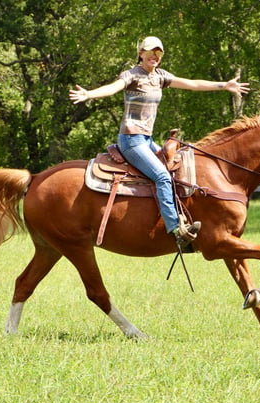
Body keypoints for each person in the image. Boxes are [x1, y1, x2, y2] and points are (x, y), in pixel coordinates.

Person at [69, 36, 250, 250]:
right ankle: (176, 229)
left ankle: (179, 216)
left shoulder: (160, 77)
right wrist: (89, 94)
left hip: (146, 140)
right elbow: (112, 88)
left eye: (158, 53)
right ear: (141, 53)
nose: (154, 56)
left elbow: (191, 84)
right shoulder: (132, 76)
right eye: (150, 52)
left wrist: (223, 85)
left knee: (176, 170)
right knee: (163, 176)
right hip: (131, 141)